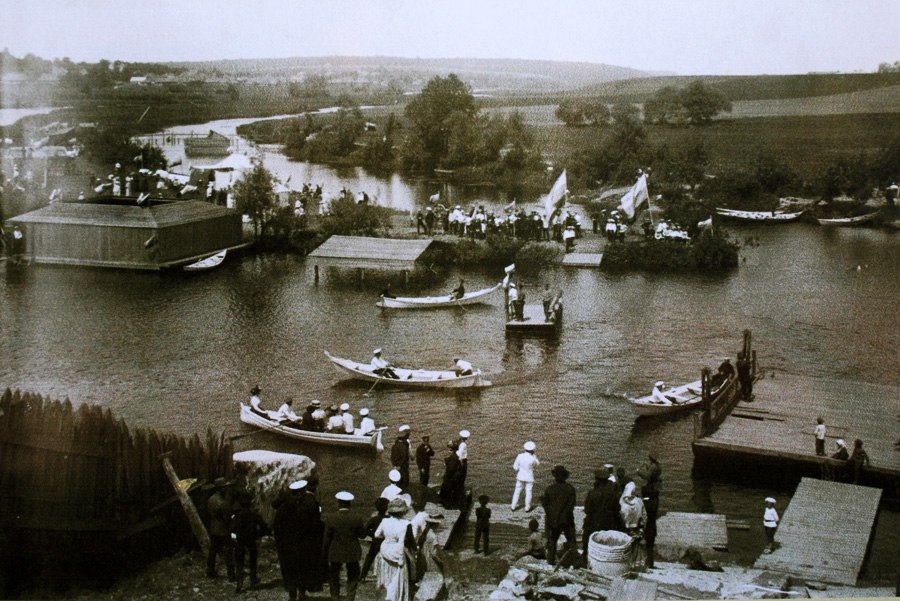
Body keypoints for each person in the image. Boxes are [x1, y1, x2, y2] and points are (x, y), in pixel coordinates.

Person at [322, 491, 366, 601]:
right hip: (352, 551)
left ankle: (335, 596)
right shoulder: (357, 518)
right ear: (349, 504)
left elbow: (327, 538)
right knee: (353, 575)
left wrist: (324, 553)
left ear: (338, 503)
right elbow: (362, 535)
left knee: (334, 575)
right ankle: (350, 597)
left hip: (336, 550)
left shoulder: (331, 518)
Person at [373, 497, 416, 601]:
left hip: (385, 550)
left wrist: (387, 537)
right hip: (398, 551)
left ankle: (386, 596)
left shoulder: (384, 521)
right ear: (403, 512)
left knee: (386, 576)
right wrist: (415, 550)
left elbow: (376, 535)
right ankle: (396, 597)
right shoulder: (406, 524)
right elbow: (411, 540)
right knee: (397, 577)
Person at [273, 480, 308, 601]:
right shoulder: (302, 508)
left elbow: (276, 529)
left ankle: (292, 595)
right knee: (302, 567)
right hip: (300, 544)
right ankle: (302, 593)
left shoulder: (281, 510)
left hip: (286, 546)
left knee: (289, 570)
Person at [230, 491, 267, 593]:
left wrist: (234, 539)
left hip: (240, 541)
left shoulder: (237, 516)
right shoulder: (254, 515)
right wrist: (260, 535)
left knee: (239, 563)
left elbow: (232, 529)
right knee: (252, 560)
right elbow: (264, 526)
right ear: (250, 504)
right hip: (251, 540)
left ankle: (239, 583)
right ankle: (253, 579)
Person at [542, 465, 577, 565]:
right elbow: (571, 506)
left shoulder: (549, 489)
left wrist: (553, 515)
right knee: (571, 541)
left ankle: (550, 561)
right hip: (567, 520)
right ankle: (575, 561)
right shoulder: (570, 489)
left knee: (552, 541)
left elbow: (546, 506)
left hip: (553, 520)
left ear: (555, 477)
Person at [206, 478, 236, 580]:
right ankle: (231, 575)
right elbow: (227, 518)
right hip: (223, 530)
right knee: (229, 552)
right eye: (225, 487)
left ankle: (210, 571)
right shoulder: (223, 502)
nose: (227, 489)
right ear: (220, 488)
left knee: (213, 551)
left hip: (213, 528)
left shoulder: (211, 499)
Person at [637, 452, 662, 568]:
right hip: (652, 526)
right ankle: (650, 563)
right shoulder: (658, 466)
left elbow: (647, 477)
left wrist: (639, 471)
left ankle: (647, 562)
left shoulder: (653, 467)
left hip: (648, 528)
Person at [360, 497, 389, 581]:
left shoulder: (374, 519)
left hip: (376, 541)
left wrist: (372, 535)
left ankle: (362, 576)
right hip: (386, 541)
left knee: (370, 557)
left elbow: (365, 529)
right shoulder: (388, 519)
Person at [511, 441, 540, 512]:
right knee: (528, 492)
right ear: (533, 450)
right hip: (529, 477)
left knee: (517, 491)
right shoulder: (533, 458)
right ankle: (527, 508)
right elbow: (537, 464)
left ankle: (513, 506)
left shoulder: (519, 456)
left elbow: (515, 467)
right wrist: (535, 457)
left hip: (520, 476)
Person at [439, 442, 464, 509]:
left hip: (451, 478)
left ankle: (446, 505)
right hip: (455, 477)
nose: (448, 451)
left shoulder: (453, 458)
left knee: (446, 489)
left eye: (449, 449)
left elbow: (450, 469)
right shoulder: (455, 456)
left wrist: (445, 476)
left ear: (452, 450)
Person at [391, 425, 412, 489]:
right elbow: (405, 456)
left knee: (399, 481)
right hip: (402, 466)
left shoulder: (395, 445)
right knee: (404, 481)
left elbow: (392, 457)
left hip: (397, 466)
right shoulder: (404, 445)